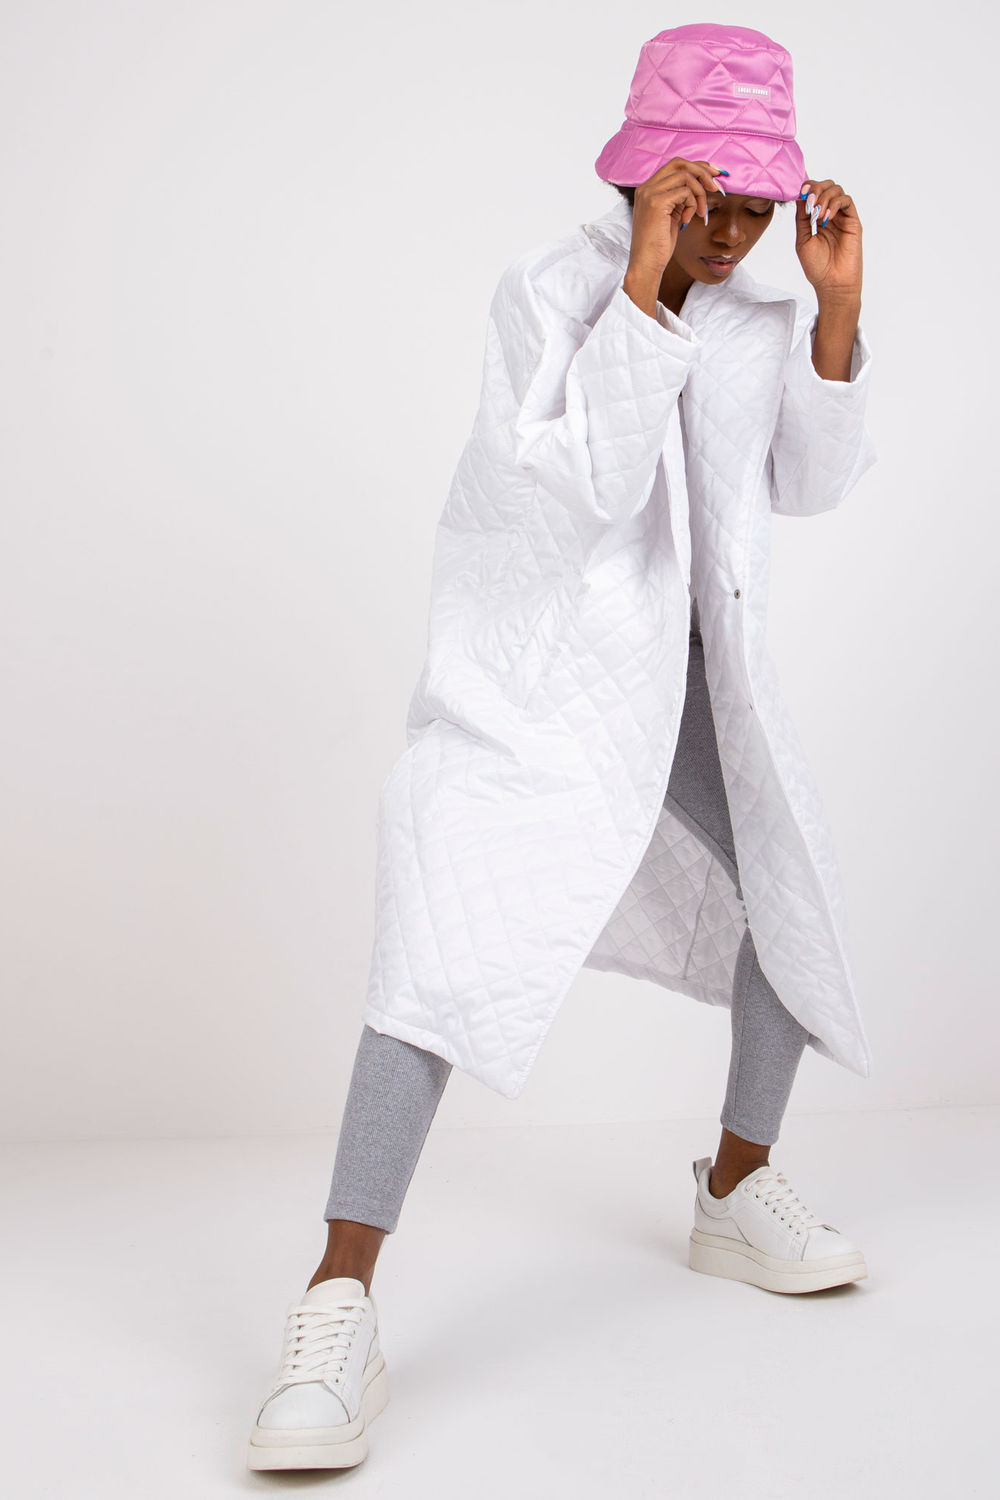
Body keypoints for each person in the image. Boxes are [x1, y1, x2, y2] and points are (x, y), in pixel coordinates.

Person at [247, 22, 877, 1471]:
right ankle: (339, 1301)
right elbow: (570, 494)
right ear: (648, 176)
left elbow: (809, 483)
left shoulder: (761, 313)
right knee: (440, 941)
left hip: (700, 686)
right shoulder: (547, 293)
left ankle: (736, 1187)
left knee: (787, 901)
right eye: (706, 201)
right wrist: (644, 298)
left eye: (755, 208)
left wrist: (835, 312)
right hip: (545, 686)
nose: (732, 235)